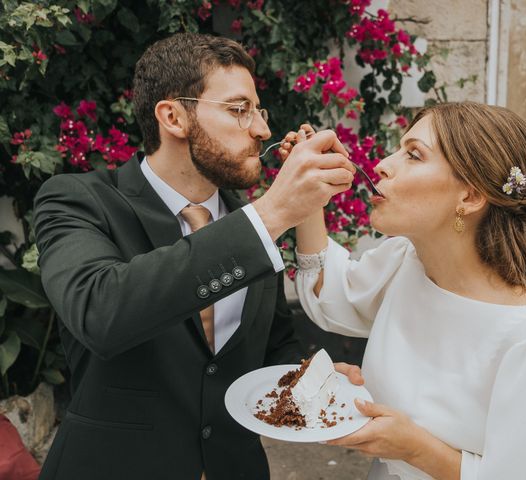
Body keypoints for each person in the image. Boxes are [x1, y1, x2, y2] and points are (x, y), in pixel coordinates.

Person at [33, 33, 359, 480]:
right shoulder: (78, 200)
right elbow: (100, 312)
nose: (262, 129)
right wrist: (274, 212)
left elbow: (269, 347)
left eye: (258, 111)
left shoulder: (252, 223)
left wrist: (309, 383)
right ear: (173, 117)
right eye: (239, 109)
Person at [291, 103, 526, 479]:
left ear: (469, 197)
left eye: (413, 154)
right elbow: (331, 294)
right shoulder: (404, 262)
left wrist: (415, 448)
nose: (382, 165)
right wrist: (308, 194)